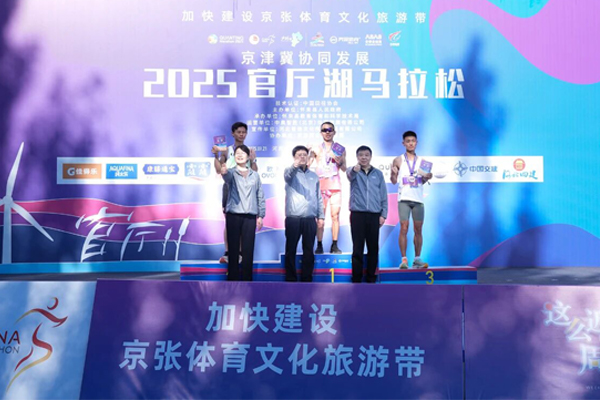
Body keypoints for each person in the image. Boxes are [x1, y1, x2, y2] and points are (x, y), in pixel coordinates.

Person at [215, 145, 265, 281]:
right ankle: (233, 280)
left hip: (250, 216)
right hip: (233, 215)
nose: (240, 155)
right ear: (234, 156)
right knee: (233, 250)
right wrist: (223, 171)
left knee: (248, 250)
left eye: (243, 153)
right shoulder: (231, 172)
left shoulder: (255, 175)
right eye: (237, 153)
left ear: (248, 157)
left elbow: (260, 195)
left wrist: (260, 215)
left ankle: (247, 280)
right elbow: (226, 177)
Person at [212, 122, 257, 263]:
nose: (241, 134)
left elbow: (255, 172)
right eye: (239, 132)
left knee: (244, 223)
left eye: (244, 132)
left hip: (246, 190)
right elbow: (219, 170)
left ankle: (241, 253)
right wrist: (216, 156)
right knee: (229, 222)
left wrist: (253, 160)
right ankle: (228, 252)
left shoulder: (248, 151)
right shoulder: (226, 150)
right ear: (233, 133)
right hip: (230, 188)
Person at [390, 131, 433, 269]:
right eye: (408, 141)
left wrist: (427, 177)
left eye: (413, 141)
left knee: (418, 229)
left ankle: (417, 259)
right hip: (404, 199)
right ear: (403, 143)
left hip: (418, 200)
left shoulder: (423, 162)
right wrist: (393, 173)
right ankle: (404, 260)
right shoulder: (398, 160)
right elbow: (393, 181)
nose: (410, 143)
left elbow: (422, 181)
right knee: (404, 227)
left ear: (416, 142)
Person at [347, 146, 388, 283]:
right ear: (357, 157)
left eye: (366, 155)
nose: (363, 157)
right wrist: (354, 170)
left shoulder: (378, 173)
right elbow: (349, 175)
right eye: (361, 155)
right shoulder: (353, 171)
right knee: (357, 248)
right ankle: (356, 278)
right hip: (357, 215)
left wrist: (383, 214)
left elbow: (383, 195)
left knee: (373, 248)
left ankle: (371, 278)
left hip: (374, 215)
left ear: (370, 156)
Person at [284, 145, 325, 282]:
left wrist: (320, 216)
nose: (302, 157)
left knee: (309, 250)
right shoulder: (290, 172)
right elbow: (288, 175)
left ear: (308, 157)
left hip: (309, 218)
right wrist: (294, 166)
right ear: (294, 157)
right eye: (299, 155)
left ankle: (307, 278)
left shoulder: (314, 176)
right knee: (291, 249)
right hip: (293, 218)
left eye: (304, 155)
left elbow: (318, 197)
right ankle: (290, 278)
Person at [309, 122, 346, 254]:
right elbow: (307, 165)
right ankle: (319, 245)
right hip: (320, 187)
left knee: (335, 216)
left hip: (335, 186)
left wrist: (338, 160)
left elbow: (344, 168)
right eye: (324, 130)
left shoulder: (340, 148)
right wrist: (308, 153)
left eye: (330, 129)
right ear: (321, 133)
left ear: (334, 132)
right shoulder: (316, 148)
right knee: (320, 217)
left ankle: (334, 245)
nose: (327, 132)